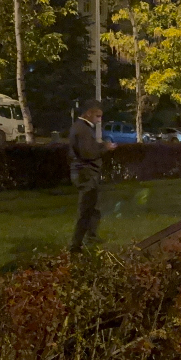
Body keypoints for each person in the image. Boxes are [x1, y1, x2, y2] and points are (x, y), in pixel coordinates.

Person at [68, 100, 116, 252]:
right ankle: (75, 245)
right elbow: (88, 153)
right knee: (86, 210)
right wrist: (105, 148)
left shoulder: (81, 128)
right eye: (98, 116)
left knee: (93, 208)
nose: (99, 120)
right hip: (86, 173)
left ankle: (91, 236)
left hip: (85, 173)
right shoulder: (82, 129)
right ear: (88, 113)